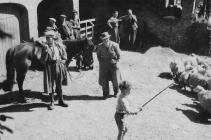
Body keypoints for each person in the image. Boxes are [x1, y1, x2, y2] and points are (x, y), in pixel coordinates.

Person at [41, 30, 69, 110]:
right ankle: (52, 102)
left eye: (49, 38)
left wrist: (63, 61)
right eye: (47, 38)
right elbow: (42, 61)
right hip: (49, 67)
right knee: (50, 84)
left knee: (59, 83)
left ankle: (61, 100)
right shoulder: (45, 47)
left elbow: (64, 55)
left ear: (53, 38)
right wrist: (46, 52)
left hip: (58, 65)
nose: (48, 40)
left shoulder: (59, 45)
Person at [96, 32, 122, 99]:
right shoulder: (99, 46)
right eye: (104, 39)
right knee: (104, 80)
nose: (106, 40)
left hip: (113, 64)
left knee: (115, 79)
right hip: (104, 65)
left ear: (109, 38)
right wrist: (101, 62)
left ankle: (116, 92)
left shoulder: (115, 45)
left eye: (107, 38)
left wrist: (116, 62)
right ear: (102, 39)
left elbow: (119, 55)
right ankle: (105, 94)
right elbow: (98, 56)